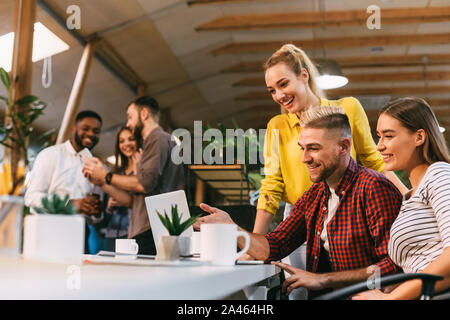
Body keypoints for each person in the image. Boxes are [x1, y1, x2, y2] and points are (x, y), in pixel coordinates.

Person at [195, 106, 403, 299]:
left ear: (343, 146)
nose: (304, 158)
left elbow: (392, 267)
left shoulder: (374, 188)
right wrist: (232, 229)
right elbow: (274, 245)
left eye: (313, 148)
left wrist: (323, 279)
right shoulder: (313, 196)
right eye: (302, 148)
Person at [253, 44, 407, 299]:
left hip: (353, 207)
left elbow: (373, 160)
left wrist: (407, 197)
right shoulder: (276, 126)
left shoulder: (347, 108)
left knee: (345, 279)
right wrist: (251, 241)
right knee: (300, 291)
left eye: (283, 84)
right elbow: (272, 184)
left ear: (304, 76)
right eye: (272, 90)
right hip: (303, 214)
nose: (279, 95)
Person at [353, 97, 450, 300]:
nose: (379, 146)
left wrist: (390, 299)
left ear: (419, 137)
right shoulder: (409, 197)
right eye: (378, 136)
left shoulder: (439, 174)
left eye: (388, 136)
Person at [82, 96, 185, 255]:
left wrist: (106, 176)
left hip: (152, 230)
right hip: (143, 229)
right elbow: (133, 201)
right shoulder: (154, 141)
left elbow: (144, 184)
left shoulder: (157, 138)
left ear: (144, 113)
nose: (128, 123)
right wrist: (101, 181)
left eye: (130, 116)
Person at [24, 110, 105, 253]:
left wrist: (96, 213)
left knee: (79, 275)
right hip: (49, 231)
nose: (91, 134)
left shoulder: (97, 165)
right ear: (75, 128)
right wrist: (69, 203)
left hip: (81, 236)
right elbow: (31, 198)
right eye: (86, 128)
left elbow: (95, 220)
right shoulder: (50, 155)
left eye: (96, 131)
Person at [102, 126, 141, 252]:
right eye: (122, 141)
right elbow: (105, 214)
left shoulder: (145, 172)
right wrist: (109, 206)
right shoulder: (115, 173)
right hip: (111, 235)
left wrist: (138, 170)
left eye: (131, 139)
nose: (126, 144)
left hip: (133, 235)